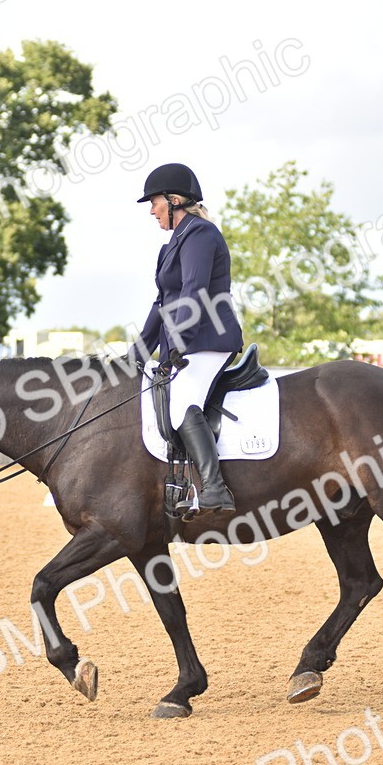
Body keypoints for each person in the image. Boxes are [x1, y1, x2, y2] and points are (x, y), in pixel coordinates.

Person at [127, 163, 243, 515]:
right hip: (187, 342)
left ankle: (215, 489)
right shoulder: (171, 246)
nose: (151, 211)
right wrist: (138, 352)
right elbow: (162, 303)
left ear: (174, 201)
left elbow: (195, 291)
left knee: (181, 404)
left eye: (155, 203)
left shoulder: (202, 235)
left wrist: (177, 342)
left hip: (209, 340)